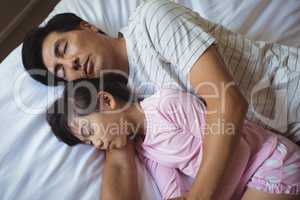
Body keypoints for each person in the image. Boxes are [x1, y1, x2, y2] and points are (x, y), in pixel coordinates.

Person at [22, 0, 300, 199]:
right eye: (62, 71)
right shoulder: (123, 107)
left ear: (87, 27)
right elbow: (119, 162)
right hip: (273, 158)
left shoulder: (152, 20)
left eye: (64, 48)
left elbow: (228, 102)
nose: (72, 64)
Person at [46, 75, 300, 200]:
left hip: (271, 163)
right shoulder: (146, 152)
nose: (97, 144)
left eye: (90, 132)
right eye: (89, 143)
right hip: (244, 187)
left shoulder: (167, 104)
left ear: (106, 100)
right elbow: (173, 193)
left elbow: (238, 148)